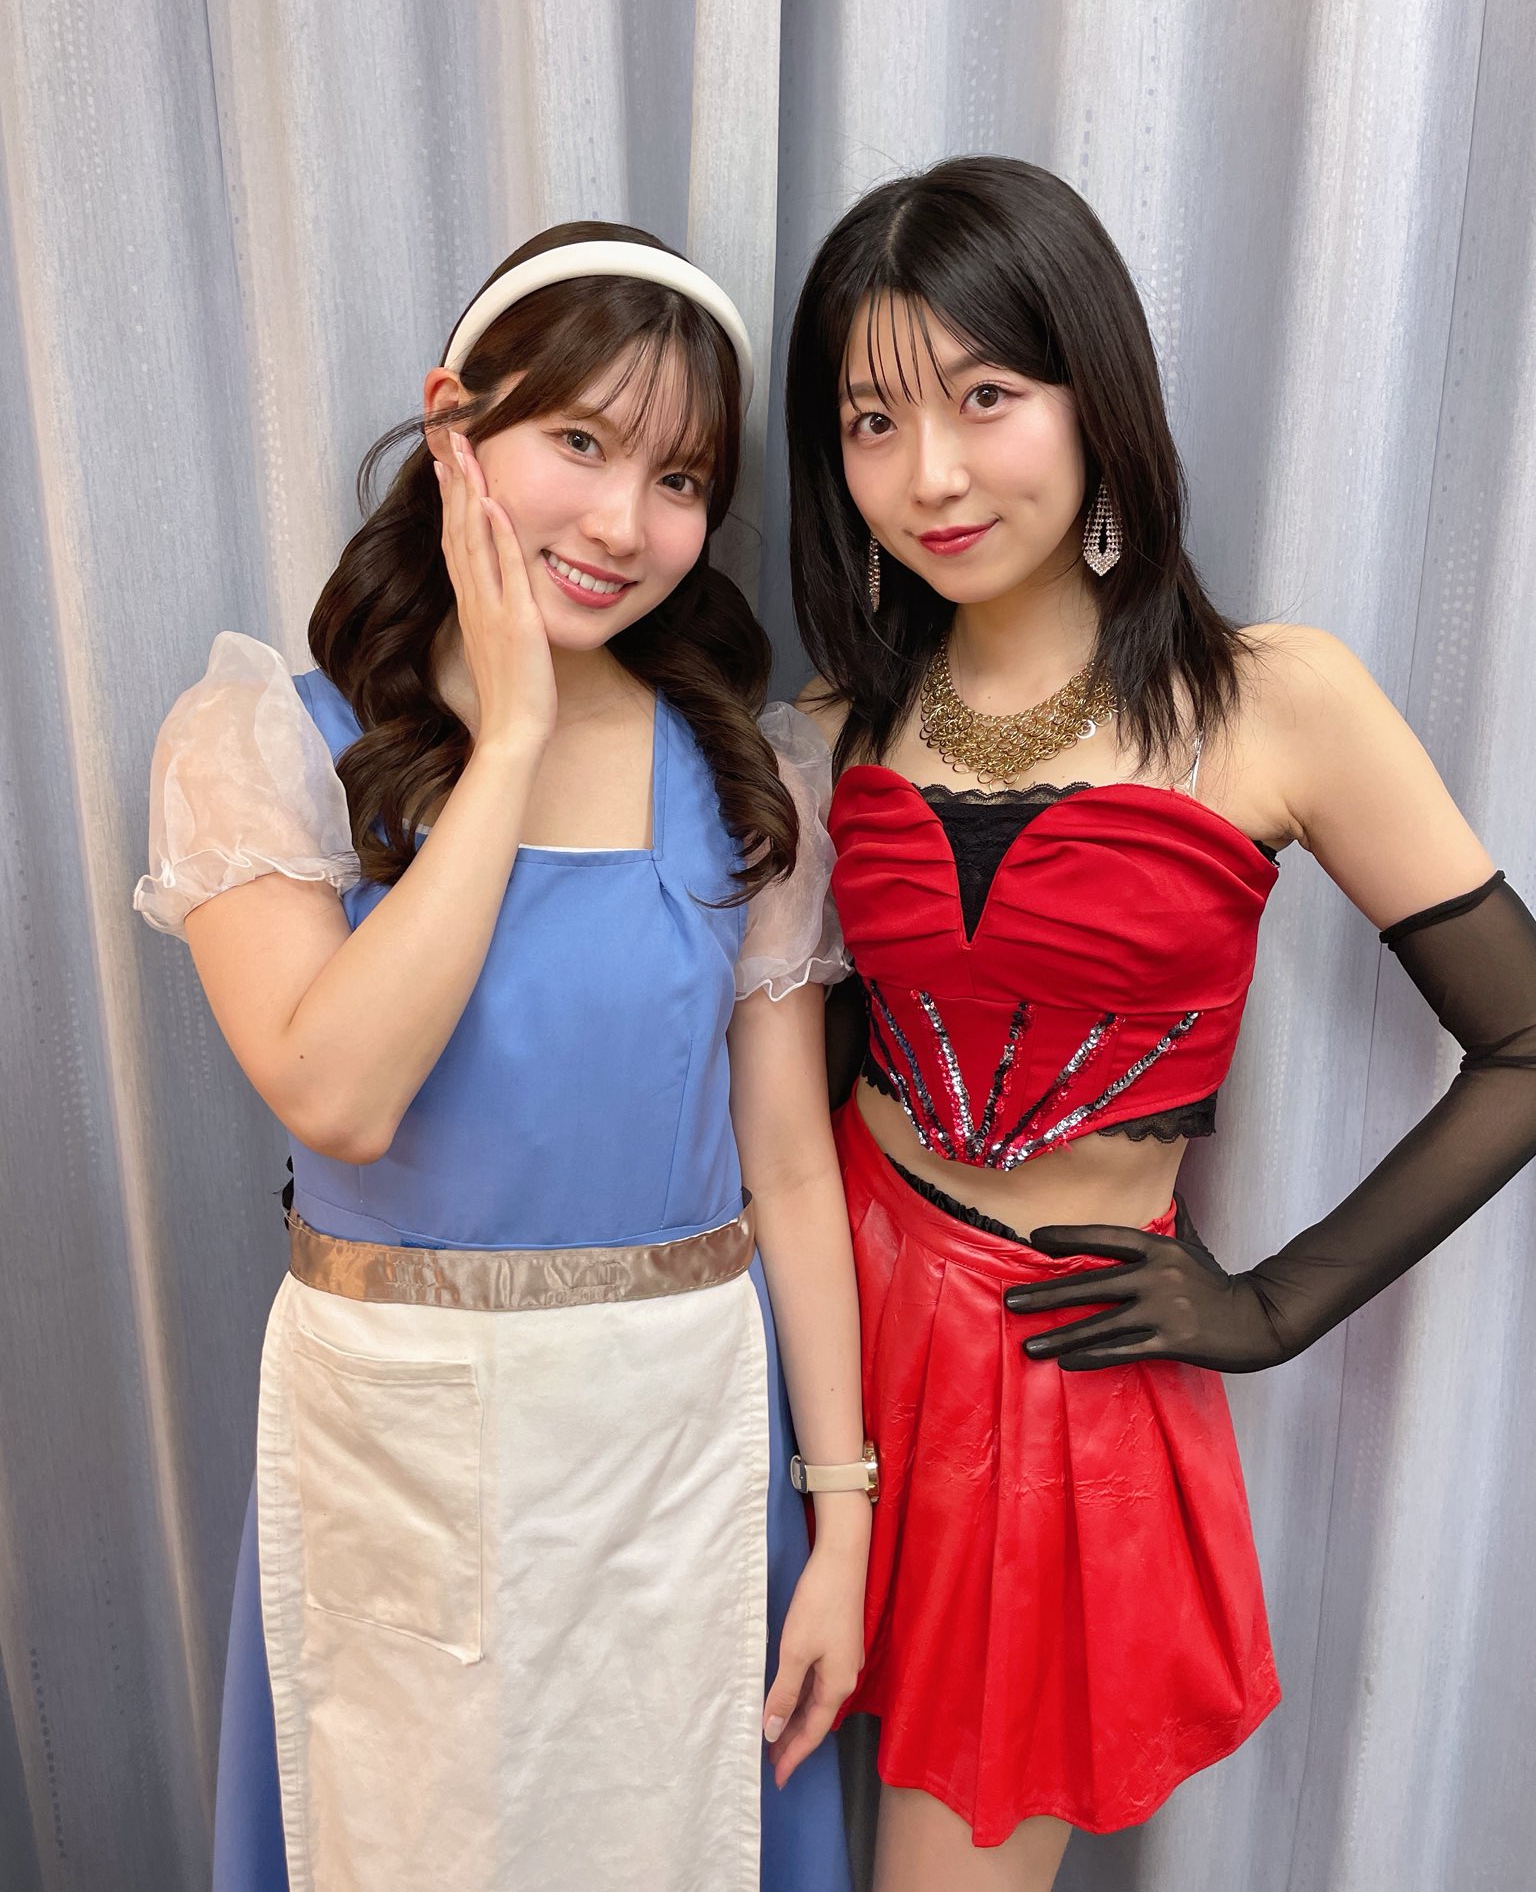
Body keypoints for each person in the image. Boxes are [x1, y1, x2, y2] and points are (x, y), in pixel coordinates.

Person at [783, 156, 1536, 1892]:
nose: (930, 473)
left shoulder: (1277, 700)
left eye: (985, 396)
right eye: (874, 421)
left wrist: (1269, 1307)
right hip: (825, 1329)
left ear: (1093, 395)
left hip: (1053, 1381)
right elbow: (798, 1072)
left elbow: (1523, 1045)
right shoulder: (833, 725)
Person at [133, 221, 872, 1892]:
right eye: (581, 443)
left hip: (681, 1460)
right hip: (397, 1457)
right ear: (453, 423)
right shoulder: (269, 739)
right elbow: (338, 1095)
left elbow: (789, 1164)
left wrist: (842, 1518)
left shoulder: (746, 780)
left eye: (680, 480)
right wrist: (516, 731)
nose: (623, 524)